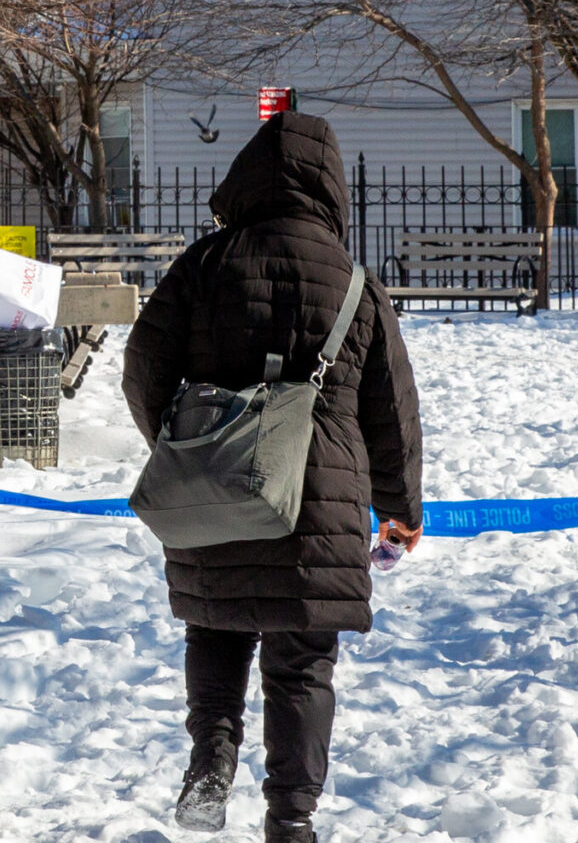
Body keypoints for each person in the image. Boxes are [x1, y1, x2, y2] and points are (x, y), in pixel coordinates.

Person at [124, 112, 424, 842]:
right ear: (332, 190)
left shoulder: (203, 264)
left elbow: (142, 369)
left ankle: (211, 759)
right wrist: (400, 506)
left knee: (216, 628)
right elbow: (392, 408)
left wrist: (187, 445)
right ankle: (292, 820)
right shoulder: (356, 285)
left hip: (214, 485)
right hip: (319, 504)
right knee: (301, 664)